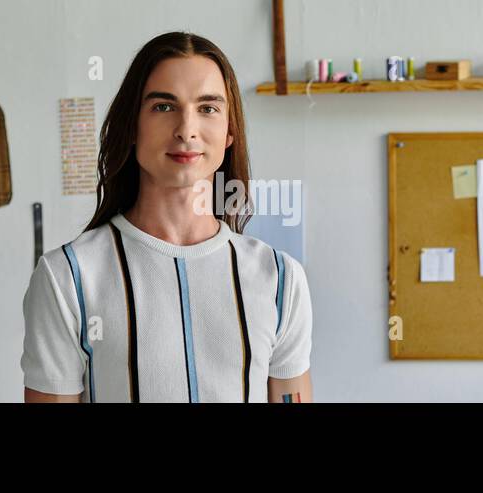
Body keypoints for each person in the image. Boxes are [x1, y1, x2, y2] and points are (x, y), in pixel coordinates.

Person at [21, 32, 313, 403]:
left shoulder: (280, 281)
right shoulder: (66, 278)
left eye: (208, 108)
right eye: (163, 106)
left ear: (229, 133)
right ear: (132, 126)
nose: (185, 129)